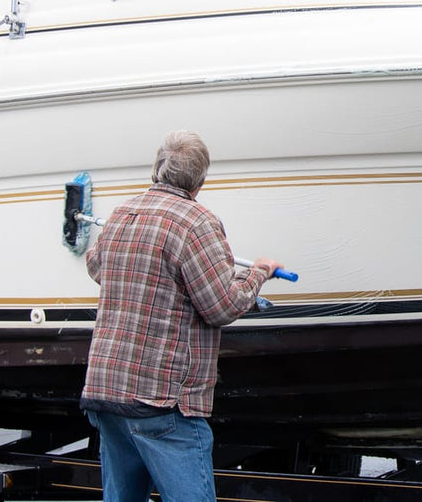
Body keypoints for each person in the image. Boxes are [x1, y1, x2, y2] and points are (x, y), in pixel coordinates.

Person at [80, 130, 283, 502]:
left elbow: (97, 266)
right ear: (200, 179)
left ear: (156, 168)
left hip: (107, 392)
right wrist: (258, 273)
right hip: (161, 400)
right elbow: (221, 306)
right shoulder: (197, 222)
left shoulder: (124, 211)